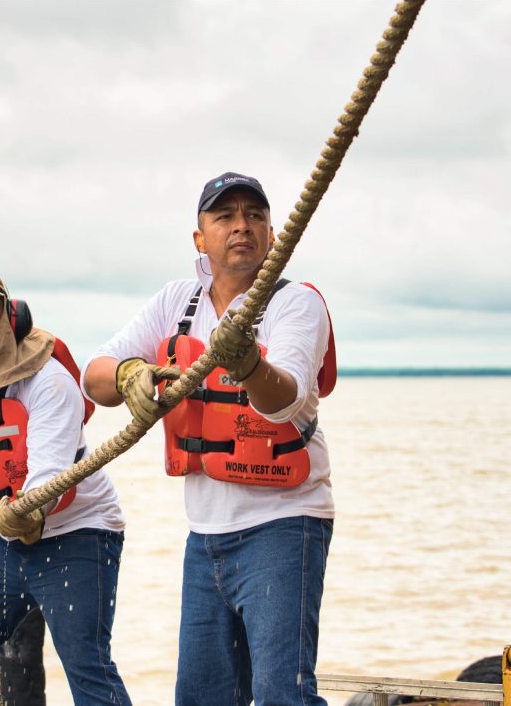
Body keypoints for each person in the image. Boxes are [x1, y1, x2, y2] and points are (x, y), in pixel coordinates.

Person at [82, 172, 335, 706]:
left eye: (255, 216)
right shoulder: (176, 302)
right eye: (225, 216)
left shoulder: (296, 305)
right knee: (200, 697)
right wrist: (131, 374)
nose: (241, 226)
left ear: (271, 233)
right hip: (204, 537)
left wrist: (247, 362)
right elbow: (93, 375)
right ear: (200, 238)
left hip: (286, 525)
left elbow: (283, 400)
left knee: (280, 695)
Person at [0, 263, 132, 706]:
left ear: (10, 313)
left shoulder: (48, 379)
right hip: (2, 541)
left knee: (85, 664)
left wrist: (24, 516)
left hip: (77, 532)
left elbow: (48, 481)